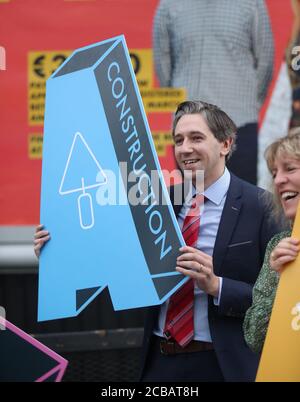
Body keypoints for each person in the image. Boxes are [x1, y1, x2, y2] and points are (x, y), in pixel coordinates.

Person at [139, 100, 282, 382]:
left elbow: (279, 298)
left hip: (224, 364)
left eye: (196, 138)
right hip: (159, 360)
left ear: (225, 145)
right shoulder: (159, 201)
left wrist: (217, 286)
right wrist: (54, 246)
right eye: (178, 140)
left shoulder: (262, 206)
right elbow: (113, 257)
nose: (185, 148)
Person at [153, 0, 274, 185]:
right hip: (189, 129)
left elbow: (265, 60)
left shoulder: (251, 3)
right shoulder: (169, 5)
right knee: (195, 205)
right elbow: (162, 64)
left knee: (243, 205)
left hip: (239, 124)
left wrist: (249, 103)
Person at [243, 132, 300, 354]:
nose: (277, 180)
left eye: (290, 169)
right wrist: (279, 278)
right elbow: (254, 338)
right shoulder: (280, 244)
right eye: (274, 173)